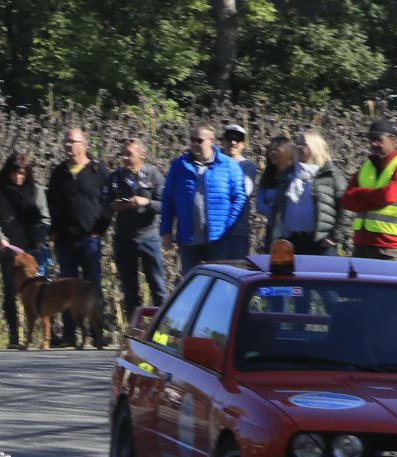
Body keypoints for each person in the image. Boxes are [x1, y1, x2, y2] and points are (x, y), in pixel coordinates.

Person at [46, 127, 109, 347]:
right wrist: (52, 230)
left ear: (84, 144)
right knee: (66, 288)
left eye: (72, 141)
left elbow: (109, 202)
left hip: (89, 239)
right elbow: (50, 203)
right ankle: (69, 334)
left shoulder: (98, 171)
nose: (68, 146)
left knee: (93, 286)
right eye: (66, 142)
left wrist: (101, 229)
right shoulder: (58, 173)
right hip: (65, 240)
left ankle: (98, 331)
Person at [160, 123, 248, 275]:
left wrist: (227, 226)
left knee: (218, 278)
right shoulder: (179, 166)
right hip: (188, 239)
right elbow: (168, 199)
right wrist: (166, 231)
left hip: (217, 239)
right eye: (192, 140)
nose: (194, 144)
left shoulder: (228, 166)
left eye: (199, 140)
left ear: (212, 141)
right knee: (191, 280)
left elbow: (240, 198)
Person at [0, 152, 49, 350]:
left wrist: (39, 239)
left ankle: (45, 335)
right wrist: (0, 237)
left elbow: (45, 219)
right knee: (11, 293)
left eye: (22, 173)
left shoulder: (36, 190)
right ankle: (14, 334)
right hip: (9, 252)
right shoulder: (0, 191)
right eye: (15, 173)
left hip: (32, 251)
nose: (18, 177)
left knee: (39, 292)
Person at [104, 139, 167, 330]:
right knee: (130, 290)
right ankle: (135, 332)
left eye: (129, 154)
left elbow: (165, 205)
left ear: (142, 155)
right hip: (124, 239)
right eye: (123, 154)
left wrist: (147, 202)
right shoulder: (115, 177)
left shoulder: (154, 175)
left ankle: (162, 332)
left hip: (149, 237)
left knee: (158, 287)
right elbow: (104, 205)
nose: (124, 158)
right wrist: (115, 206)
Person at [341, 119, 397, 262]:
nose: (374, 144)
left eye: (379, 140)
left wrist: (360, 193)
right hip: (361, 243)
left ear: (393, 139)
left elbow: (388, 195)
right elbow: (347, 200)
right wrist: (376, 197)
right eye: (371, 140)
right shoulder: (366, 166)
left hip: (390, 247)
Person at [295, 131, 347, 255]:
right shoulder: (292, 173)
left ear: (315, 147)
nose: (298, 147)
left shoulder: (332, 174)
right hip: (295, 241)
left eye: (303, 144)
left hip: (321, 244)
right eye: (297, 143)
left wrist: (334, 237)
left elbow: (347, 207)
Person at [219, 124, 261, 257]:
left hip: (238, 232)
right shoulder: (214, 163)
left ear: (243, 144)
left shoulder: (248, 166)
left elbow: (243, 192)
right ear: (223, 141)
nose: (233, 142)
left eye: (238, 139)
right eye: (229, 138)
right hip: (215, 232)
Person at [253, 135, 292, 253]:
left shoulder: (294, 175)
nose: (272, 153)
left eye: (276, 149)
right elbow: (259, 204)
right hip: (272, 228)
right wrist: (276, 213)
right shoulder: (268, 175)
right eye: (271, 150)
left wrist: (273, 207)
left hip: (290, 231)